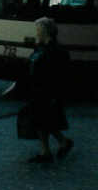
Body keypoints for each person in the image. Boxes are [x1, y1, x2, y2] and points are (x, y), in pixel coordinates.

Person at [25, 17, 73, 163]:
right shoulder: (40, 47)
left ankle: (56, 146)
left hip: (48, 91)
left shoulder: (56, 51)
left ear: (45, 31)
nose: (36, 32)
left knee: (44, 120)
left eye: (38, 29)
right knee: (42, 120)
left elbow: (60, 75)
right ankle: (50, 149)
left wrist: (56, 94)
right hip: (37, 90)